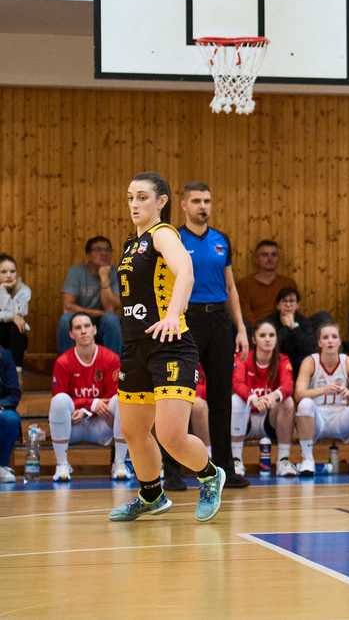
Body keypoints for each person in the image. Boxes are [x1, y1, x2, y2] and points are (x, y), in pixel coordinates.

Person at [108, 171, 225, 523]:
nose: (134, 204)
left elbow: (185, 272)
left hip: (170, 346)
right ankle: (151, 495)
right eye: (130, 197)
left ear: (161, 201)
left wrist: (174, 314)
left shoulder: (164, 234)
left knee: (171, 435)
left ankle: (210, 475)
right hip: (135, 348)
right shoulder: (131, 245)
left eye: (142, 197)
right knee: (133, 431)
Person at [169, 182, 250, 490]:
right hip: (185, 319)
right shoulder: (174, 239)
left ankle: (225, 468)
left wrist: (240, 327)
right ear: (184, 205)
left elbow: (230, 287)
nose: (203, 206)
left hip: (218, 320)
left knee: (220, 397)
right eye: (197, 201)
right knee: (178, 395)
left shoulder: (221, 240)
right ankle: (171, 471)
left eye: (207, 201)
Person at [49, 312, 129, 482]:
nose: (83, 331)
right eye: (78, 328)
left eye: (87, 326)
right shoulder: (63, 362)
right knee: (59, 401)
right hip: (73, 426)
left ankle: (119, 463)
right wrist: (90, 404)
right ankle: (61, 465)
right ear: (71, 334)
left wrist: (87, 409)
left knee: (122, 399)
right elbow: (59, 397)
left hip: (102, 425)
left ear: (95, 330)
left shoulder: (111, 359)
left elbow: (112, 396)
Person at [294, 322, 349, 476]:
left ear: (339, 341)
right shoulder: (310, 362)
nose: (330, 341)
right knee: (304, 404)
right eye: (325, 337)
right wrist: (323, 390)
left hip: (340, 418)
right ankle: (307, 459)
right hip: (317, 419)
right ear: (319, 343)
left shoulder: (348, 362)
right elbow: (298, 394)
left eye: (334, 337)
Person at [231, 320, 297, 477]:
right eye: (262, 335)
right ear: (254, 339)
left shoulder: (282, 360)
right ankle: (236, 460)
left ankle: (283, 461)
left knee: (288, 402)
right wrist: (253, 398)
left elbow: (288, 385)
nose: (268, 339)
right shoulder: (243, 358)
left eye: (271, 335)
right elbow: (237, 383)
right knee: (235, 400)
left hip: (269, 420)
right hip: (246, 419)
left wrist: (273, 396)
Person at [57, 236, 122, 355]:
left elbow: (110, 308)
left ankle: (114, 364)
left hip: (103, 323)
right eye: (98, 249)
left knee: (111, 320)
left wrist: (104, 278)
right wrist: (96, 313)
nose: (104, 253)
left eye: (107, 250)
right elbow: (68, 306)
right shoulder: (76, 272)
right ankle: (66, 363)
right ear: (88, 255)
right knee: (65, 320)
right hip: (80, 320)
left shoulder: (115, 273)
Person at [236, 240, 299, 325]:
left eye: (274, 255)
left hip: (284, 326)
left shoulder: (288, 283)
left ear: (278, 258)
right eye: (264, 255)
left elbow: (294, 310)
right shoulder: (244, 284)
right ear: (256, 259)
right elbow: (245, 315)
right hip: (257, 328)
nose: (270, 258)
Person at [263, 287, 315, 377]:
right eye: (284, 301)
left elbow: (308, 349)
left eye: (292, 301)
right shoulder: (269, 322)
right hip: (276, 361)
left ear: (297, 305)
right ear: (278, 305)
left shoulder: (304, 321)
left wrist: (294, 327)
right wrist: (286, 328)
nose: (288, 304)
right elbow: (271, 346)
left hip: (298, 363)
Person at [0, 254, 31, 375]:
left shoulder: (24, 290)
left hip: (13, 334)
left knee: (17, 327)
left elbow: (19, 313)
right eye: (3, 272)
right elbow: (14, 315)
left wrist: (12, 317)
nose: (9, 275)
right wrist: (2, 289)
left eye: (12, 271)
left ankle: (16, 374)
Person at [0, 346, 20, 483]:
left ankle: (1, 465)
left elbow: (14, 393)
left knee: (11, 419)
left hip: (1, 408)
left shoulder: (5, 355)